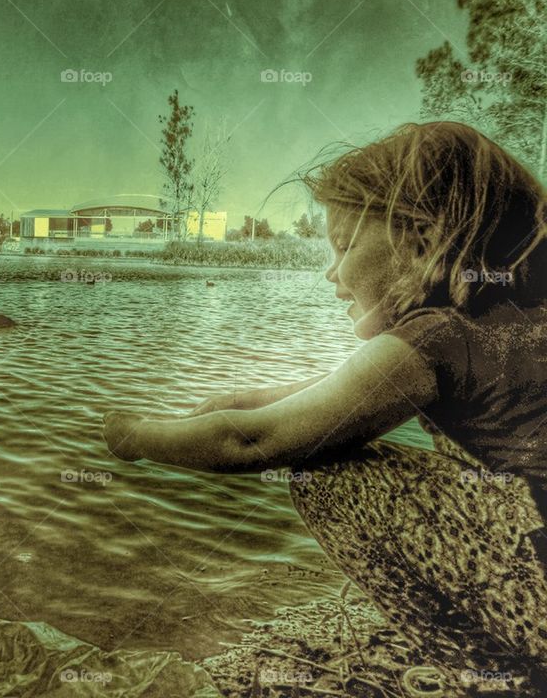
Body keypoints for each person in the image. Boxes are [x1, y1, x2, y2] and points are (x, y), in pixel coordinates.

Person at [103, 122, 547, 689]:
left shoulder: (438, 336)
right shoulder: (510, 319)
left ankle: (493, 672)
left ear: (422, 237)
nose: (331, 272)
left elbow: (250, 441)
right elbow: (333, 394)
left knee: (330, 474)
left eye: (343, 246)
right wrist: (238, 398)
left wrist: (131, 436)